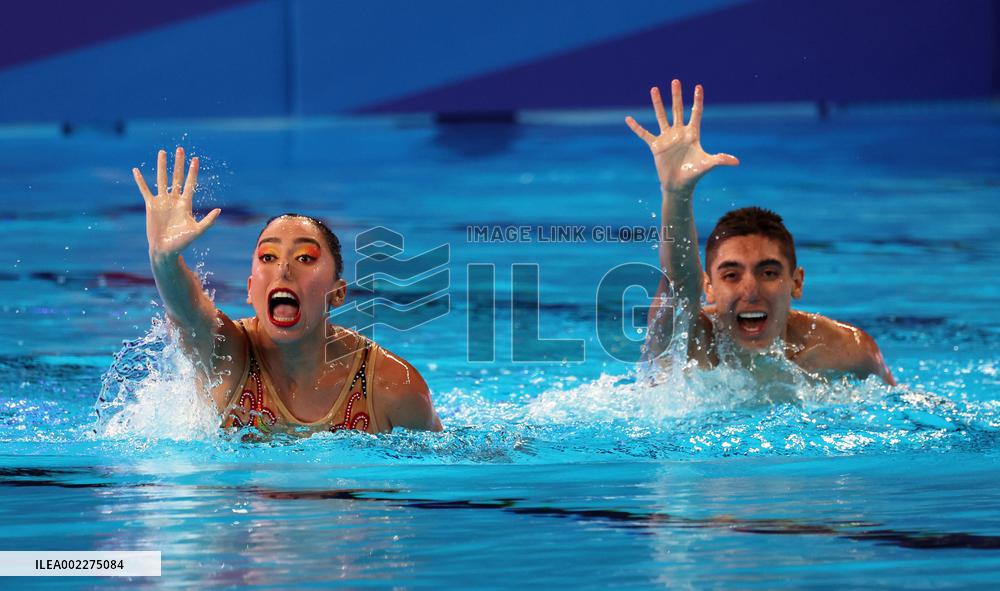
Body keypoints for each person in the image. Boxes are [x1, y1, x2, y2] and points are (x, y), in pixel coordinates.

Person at [132, 148, 443, 433]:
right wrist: (164, 259)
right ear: (251, 291)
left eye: (305, 258)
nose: (283, 269)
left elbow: (438, 476)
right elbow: (189, 315)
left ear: (338, 293)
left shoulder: (390, 387)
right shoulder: (227, 356)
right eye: (268, 257)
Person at [625, 80, 895, 385]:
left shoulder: (846, 351)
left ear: (796, 282)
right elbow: (679, 281)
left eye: (768, 273)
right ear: (709, 287)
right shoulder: (688, 345)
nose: (750, 290)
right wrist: (676, 194)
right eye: (730, 275)